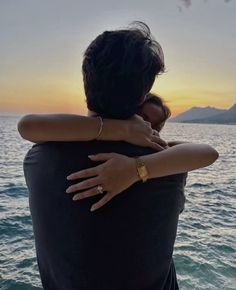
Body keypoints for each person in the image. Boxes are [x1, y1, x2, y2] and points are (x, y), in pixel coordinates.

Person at [19, 21, 218, 290]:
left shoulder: (37, 160)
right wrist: (138, 167)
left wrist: (120, 133)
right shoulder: (166, 166)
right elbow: (208, 153)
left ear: (86, 81)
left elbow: (28, 126)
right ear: (141, 97)